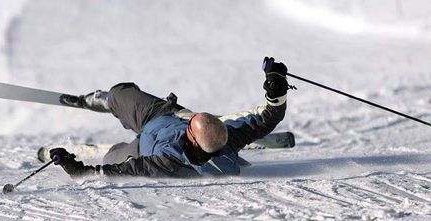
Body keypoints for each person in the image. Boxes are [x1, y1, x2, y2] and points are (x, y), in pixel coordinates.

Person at [48, 57, 289, 178]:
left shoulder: (170, 161)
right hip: (162, 114)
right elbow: (267, 117)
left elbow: (129, 170)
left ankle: (108, 145)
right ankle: (95, 100)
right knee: (122, 93)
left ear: (194, 140)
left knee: (115, 154)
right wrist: (276, 87)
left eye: (190, 128)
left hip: (139, 149)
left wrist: (81, 170)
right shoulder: (230, 135)